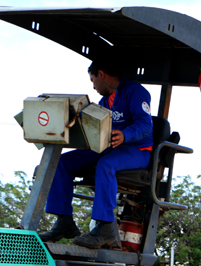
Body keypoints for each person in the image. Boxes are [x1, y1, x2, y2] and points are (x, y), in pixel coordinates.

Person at [39, 58, 154, 249]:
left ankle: (106, 227)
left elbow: (145, 125)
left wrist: (125, 135)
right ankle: (64, 221)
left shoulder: (135, 91)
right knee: (61, 162)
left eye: (93, 80)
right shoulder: (103, 101)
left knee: (106, 164)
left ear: (101, 75)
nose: (93, 86)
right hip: (109, 148)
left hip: (137, 151)